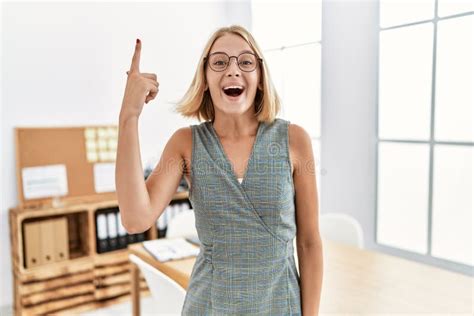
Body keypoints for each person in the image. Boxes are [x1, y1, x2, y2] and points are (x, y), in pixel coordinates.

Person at [116, 25, 323, 315]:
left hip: (280, 304)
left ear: (260, 78)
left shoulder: (294, 140)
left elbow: (310, 242)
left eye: (246, 61)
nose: (233, 70)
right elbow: (135, 219)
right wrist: (129, 115)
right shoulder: (185, 144)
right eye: (220, 62)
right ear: (205, 79)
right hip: (210, 306)